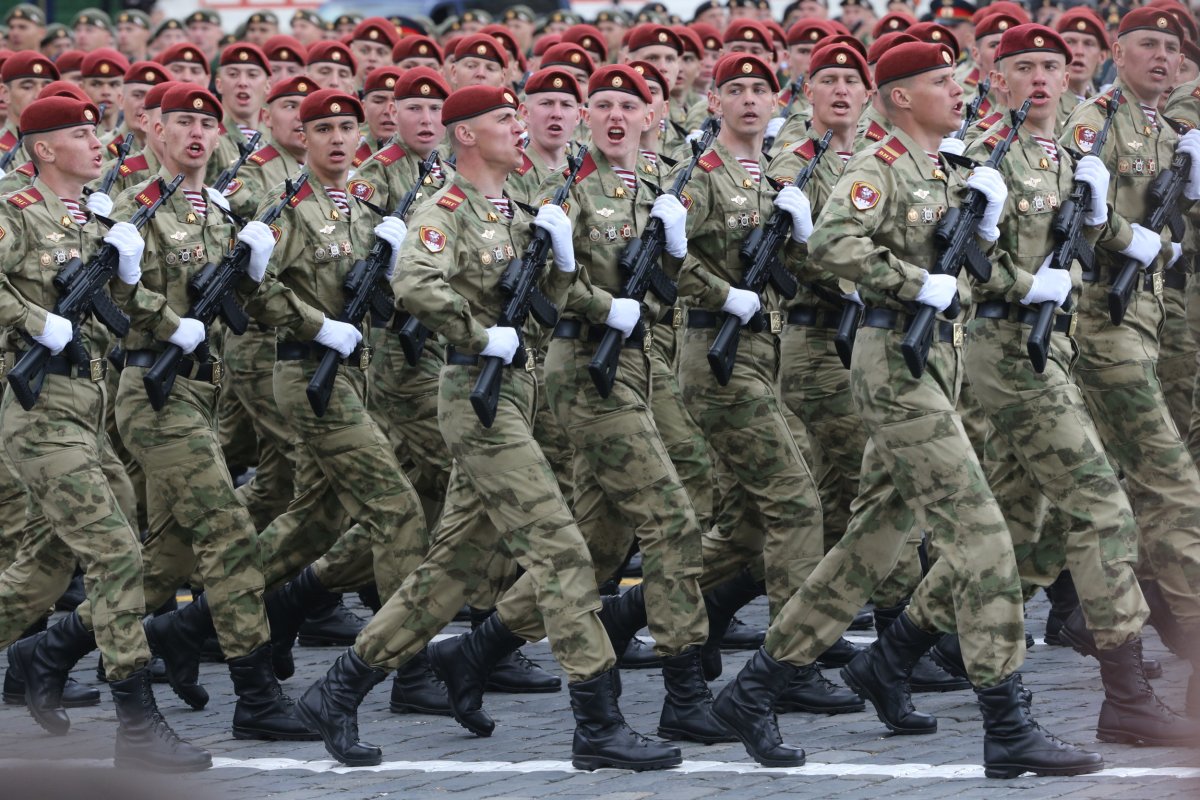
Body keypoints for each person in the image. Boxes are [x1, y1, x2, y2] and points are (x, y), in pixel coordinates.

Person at [714, 40, 1104, 780]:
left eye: (958, 82)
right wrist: (906, 281)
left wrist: (1015, 272)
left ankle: (756, 686)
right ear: (898, 96)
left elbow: (967, 270)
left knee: (873, 542)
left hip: (938, 362)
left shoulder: (950, 170)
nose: (957, 93)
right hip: (894, 363)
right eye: (939, 83)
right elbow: (831, 241)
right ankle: (1007, 721)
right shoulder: (879, 167)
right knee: (983, 535)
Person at [297, 84, 681, 773]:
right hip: (475, 395)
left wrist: (571, 273)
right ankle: (597, 720)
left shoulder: (516, 209)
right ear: (467, 136)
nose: (519, 127)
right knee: (562, 551)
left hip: (515, 391)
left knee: (452, 568)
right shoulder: (444, 208)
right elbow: (415, 282)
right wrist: (477, 333)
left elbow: (544, 299)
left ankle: (338, 690)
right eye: (505, 118)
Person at [0, 94, 210, 772]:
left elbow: (118, 302)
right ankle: (138, 728)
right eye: (80, 135)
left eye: (97, 132)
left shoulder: (96, 215)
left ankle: (38, 652)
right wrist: (34, 321)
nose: (97, 144)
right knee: (117, 552)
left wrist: (164, 315)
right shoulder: (14, 213)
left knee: (44, 569)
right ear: (43, 149)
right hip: (37, 411)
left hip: (86, 405)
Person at [1058, 6, 1200, 719]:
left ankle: (902, 646)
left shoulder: (1163, 130)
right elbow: (1071, 205)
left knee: (1048, 513)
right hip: (1097, 321)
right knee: (1172, 487)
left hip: (1145, 321)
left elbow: (1177, 233)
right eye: (1148, 44)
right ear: (1118, 49)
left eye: (1173, 48)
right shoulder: (1095, 120)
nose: (1164, 57)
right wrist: (1129, 237)